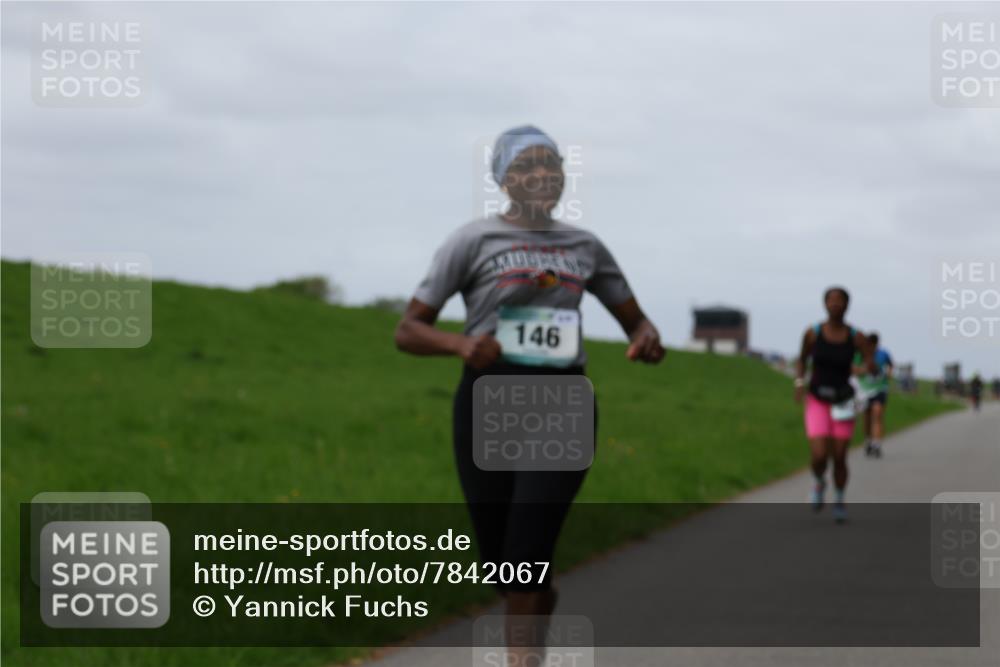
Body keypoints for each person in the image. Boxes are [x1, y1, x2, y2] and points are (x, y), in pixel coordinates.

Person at [395, 125, 665, 664]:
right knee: (501, 559)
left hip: (562, 399)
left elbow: (638, 323)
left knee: (527, 548)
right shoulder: (471, 240)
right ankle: (538, 599)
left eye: (552, 164)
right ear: (503, 179)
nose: (543, 173)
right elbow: (407, 330)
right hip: (488, 398)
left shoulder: (585, 248)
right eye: (527, 165)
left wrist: (646, 340)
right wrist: (459, 344)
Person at [794, 287, 874, 523]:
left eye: (840, 301)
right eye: (831, 300)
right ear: (825, 304)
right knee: (819, 454)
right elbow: (802, 359)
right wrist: (799, 381)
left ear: (848, 305)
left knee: (839, 456)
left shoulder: (855, 336)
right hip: (817, 399)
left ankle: (839, 498)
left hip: (843, 401)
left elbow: (870, 358)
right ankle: (819, 482)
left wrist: (868, 366)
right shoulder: (813, 333)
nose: (836, 304)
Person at [855, 333, 893, 458]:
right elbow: (855, 369)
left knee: (877, 414)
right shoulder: (860, 354)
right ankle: (868, 440)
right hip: (864, 391)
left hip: (880, 389)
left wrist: (888, 374)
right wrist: (865, 370)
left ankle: (876, 444)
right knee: (866, 417)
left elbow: (890, 365)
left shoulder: (883, 354)